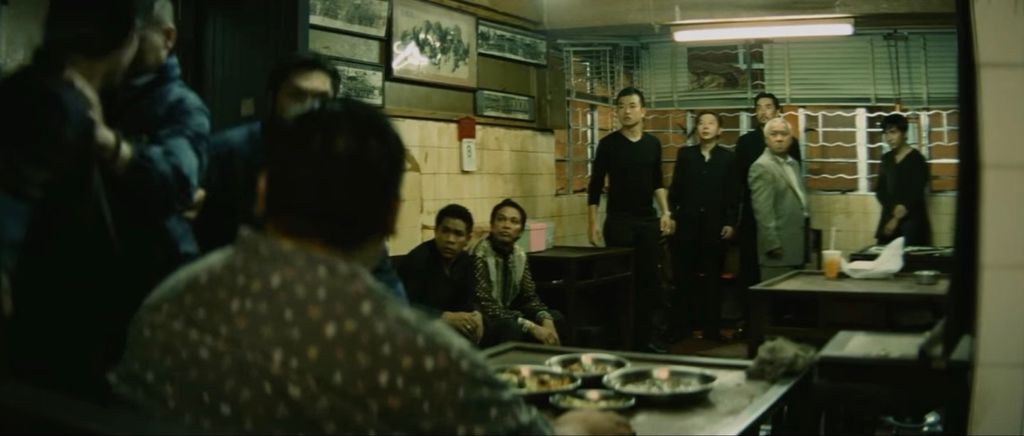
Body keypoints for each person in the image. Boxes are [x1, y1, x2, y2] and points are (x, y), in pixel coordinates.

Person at [110, 100, 631, 435]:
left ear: (263, 192)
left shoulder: (168, 303)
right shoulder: (409, 351)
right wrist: (579, 426)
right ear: (390, 216)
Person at [0, 0, 147, 402]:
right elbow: (17, 189)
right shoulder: (59, 104)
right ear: (122, 42)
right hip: (50, 317)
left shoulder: (24, 87)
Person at [192, 52, 407, 300]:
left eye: (321, 98)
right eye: (297, 96)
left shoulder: (343, 155)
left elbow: (375, 255)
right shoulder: (230, 151)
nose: (310, 107)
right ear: (273, 99)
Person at [104, 0, 210, 291]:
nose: (121, 48)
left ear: (167, 38)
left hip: (153, 271)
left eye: (133, 36)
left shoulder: (182, 106)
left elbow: (178, 178)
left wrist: (114, 148)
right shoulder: (99, 90)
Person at [586, 87, 672, 352]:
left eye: (632, 105)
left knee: (649, 284)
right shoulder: (608, 145)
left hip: (647, 222)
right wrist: (592, 223)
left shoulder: (653, 144)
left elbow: (657, 182)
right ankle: (618, 342)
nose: (626, 111)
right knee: (619, 284)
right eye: (621, 106)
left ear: (643, 111)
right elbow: (595, 185)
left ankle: (646, 341)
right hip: (619, 222)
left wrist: (666, 212)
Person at [667, 111, 739, 342]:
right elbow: (675, 190)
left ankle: (711, 330)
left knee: (713, 280)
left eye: (711, 123)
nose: (705, 127)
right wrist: (673, 215)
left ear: (719, 130)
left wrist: (730, 222)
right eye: (701, 123)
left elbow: (733, 194)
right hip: (686, 225)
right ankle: (682, 329)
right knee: (683, 278)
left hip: (714, 226)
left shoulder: (728, 158)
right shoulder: (686, 155)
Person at [734, 92, 801, 330]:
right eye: (759, 107)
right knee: (751, 270)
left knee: (783, 275)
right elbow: (738, 181)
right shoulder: (745, 142)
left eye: (768, 106)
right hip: (753, 216)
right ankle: (750, 323)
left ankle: (782, 324)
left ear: (777, 111)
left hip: (783, 219)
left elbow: (796, 180)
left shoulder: (790, 141)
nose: (763, 111)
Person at [472, 199, 565, 347]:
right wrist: (530, 326)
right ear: (492, 226)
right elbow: (487, 306)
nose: (506, 225)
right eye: (501, 219)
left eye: (514, 221)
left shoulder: (519, 255)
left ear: (521, 231)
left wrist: (546, 320)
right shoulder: (479, 254)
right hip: (484, 320)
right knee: (511, 327)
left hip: (509, 315)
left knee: (555, 318)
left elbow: (528, 297)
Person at [397, 204, 483, 343]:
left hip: (454, 333)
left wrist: (477, 314)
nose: (450, 239)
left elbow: (472, 298)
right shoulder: (417, 260)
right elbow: (402, 306)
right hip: (419, 333)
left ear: (468, 239)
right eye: (445, 231)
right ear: (436, 232)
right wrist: (442, 317)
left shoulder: (466, 262)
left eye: (458, 234)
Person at [748, 118, 808, 281]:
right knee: (777, 294)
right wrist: (772, 244)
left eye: (784, 134)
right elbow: (763, 211)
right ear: (766, 139)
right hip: (777, 250)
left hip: (796, 245)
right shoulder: (762, 166)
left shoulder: (793, 164)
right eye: (773, 134)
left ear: (791, 138)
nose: (779, 138)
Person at [875, 113, 932, 246]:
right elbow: (880, 190)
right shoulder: (886, 159)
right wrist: (892, 210)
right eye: (886, 133)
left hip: (912, 224)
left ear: (904, 133)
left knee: (910, 256)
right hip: (888, 220)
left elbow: (915, 194)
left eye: (893, 132)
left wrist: (896, 218)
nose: (889, 138)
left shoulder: (918, 160)